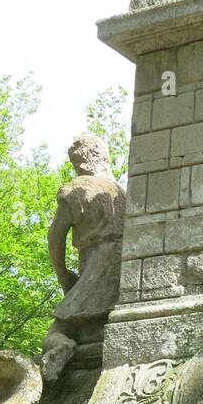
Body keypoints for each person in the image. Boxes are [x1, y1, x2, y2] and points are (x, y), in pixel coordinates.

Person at [41, 132, 125, 380]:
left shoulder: (77, 189)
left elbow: (55, 238)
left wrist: (64, 275)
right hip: (122, 276)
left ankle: (60, 346)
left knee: (57, 329)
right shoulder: (125, 195)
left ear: (78, 163)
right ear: (105, 158)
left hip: (93, 270)